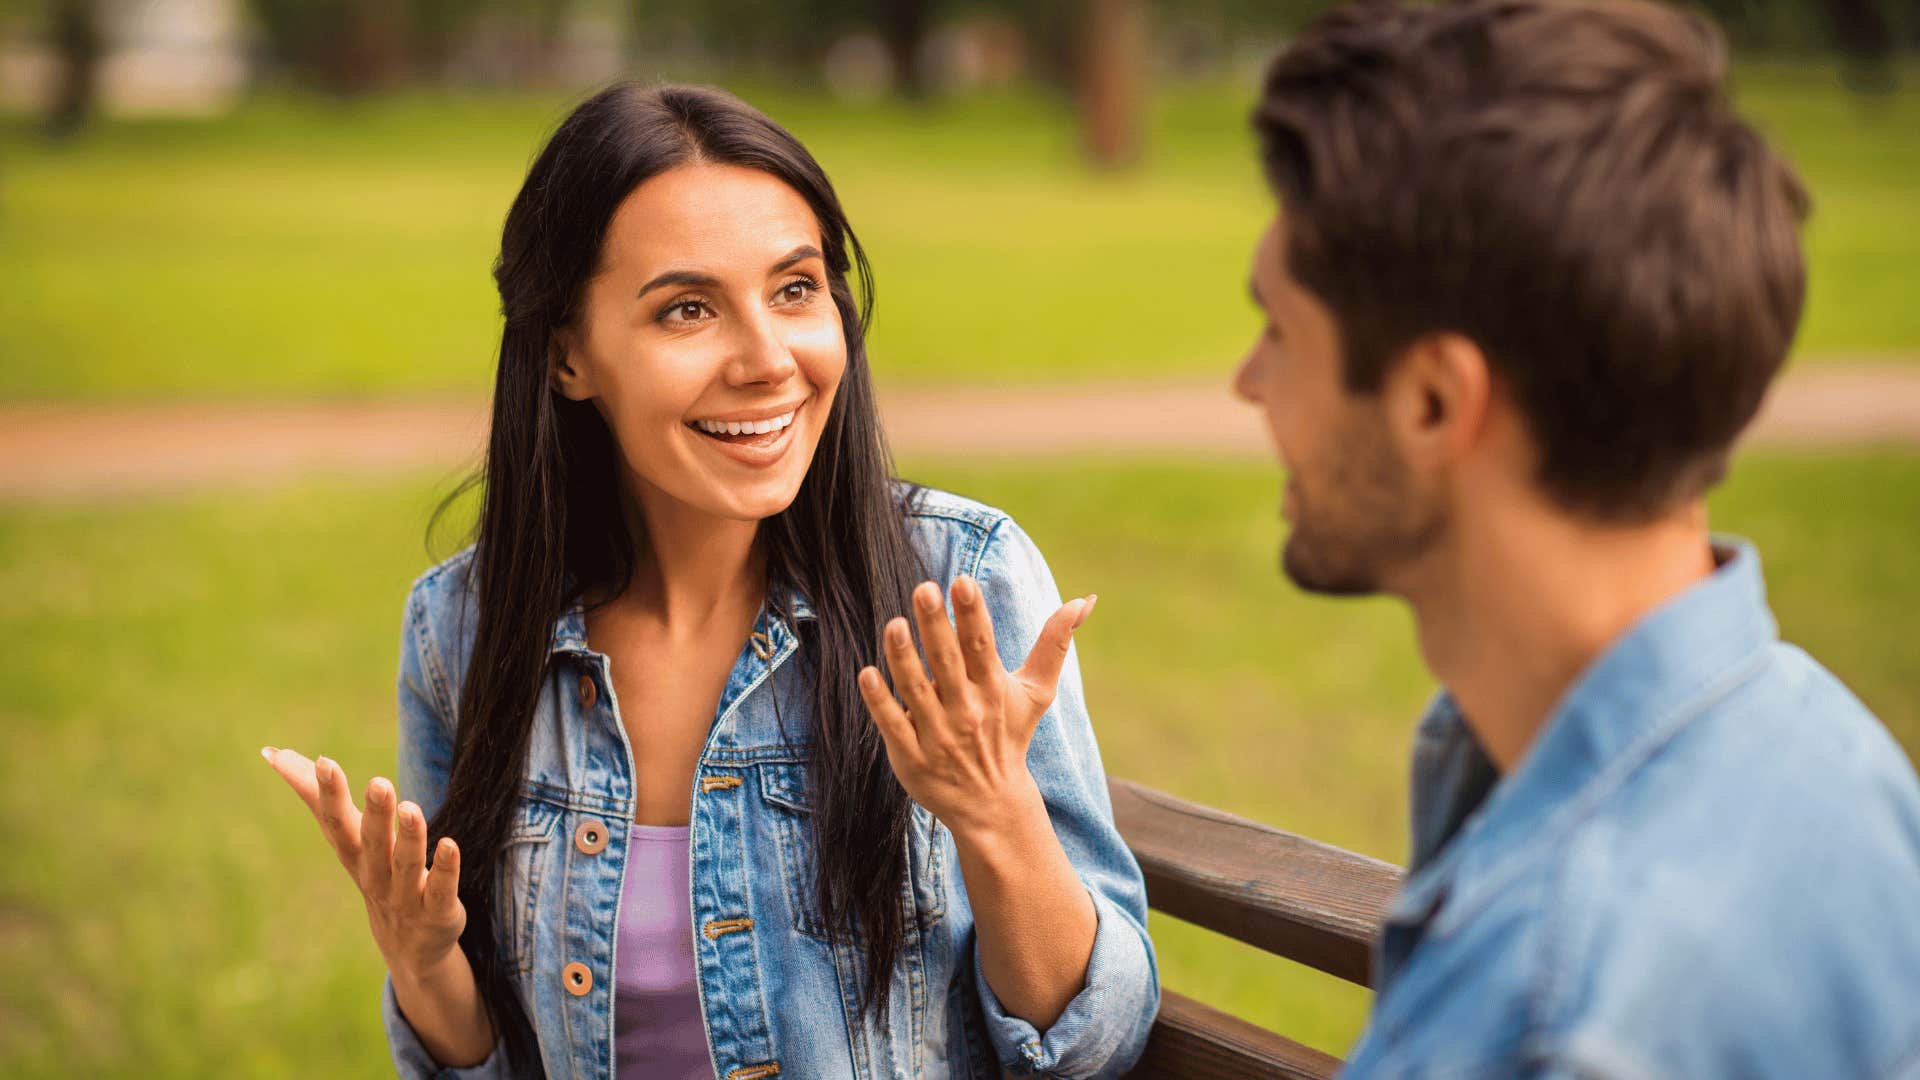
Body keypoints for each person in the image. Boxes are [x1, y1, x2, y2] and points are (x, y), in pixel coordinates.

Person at [262, 82, 1157, 1079]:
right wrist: (425, 966)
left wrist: (996, 816)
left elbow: (1096, 1045)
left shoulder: (957, 587)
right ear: (568, 356)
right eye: (687, 309)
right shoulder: (465, 628)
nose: (768, 360)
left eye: (795, 289)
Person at [1234, 0, 1920, 1075]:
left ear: (1430, 403)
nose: (1248, 382)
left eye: (1278, 329)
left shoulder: (1557, 1014)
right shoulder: (1840, 764)